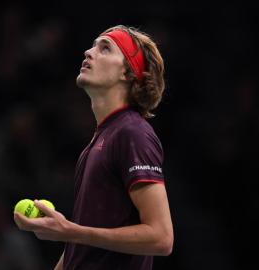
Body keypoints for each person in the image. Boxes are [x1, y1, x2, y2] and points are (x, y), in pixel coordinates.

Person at [14, 25, 173, 270]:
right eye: (92, 45)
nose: (88, 52)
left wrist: (72, 231)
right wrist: (71, 234)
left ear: (128, 73)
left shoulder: (133, 133)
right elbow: (81, 250)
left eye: (105, 48)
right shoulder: (99, 140)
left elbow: (161, 237)